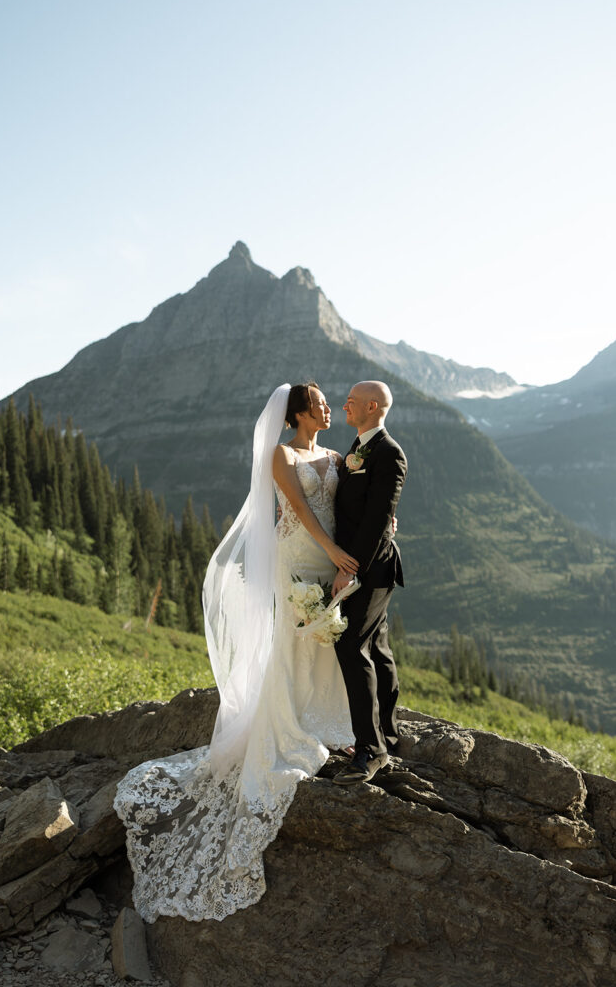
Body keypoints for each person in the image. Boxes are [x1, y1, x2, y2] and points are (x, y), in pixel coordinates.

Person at [113, 382, 358, 922]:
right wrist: (335, 551)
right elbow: (300, 510)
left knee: (324, 636)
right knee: (297, 632)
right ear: (297, 412)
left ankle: (326, 717)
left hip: (333, 556)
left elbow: (350, 501)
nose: (325, 406)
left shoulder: (337, 455)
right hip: (301, 550)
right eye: (317, 401)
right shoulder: (281, 453)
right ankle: (292, 724)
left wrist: (363, 541)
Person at [331, 381, 408, 785]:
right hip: (358, 564)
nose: (344, 405)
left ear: (372, 406)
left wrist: (350, 570)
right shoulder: (356, 448)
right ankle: (389, 737)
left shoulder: (389, 453)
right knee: (377, 648)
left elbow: (379, 522)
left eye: (351, 401)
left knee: (350, 644)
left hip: (372, 569)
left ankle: (370, 751)